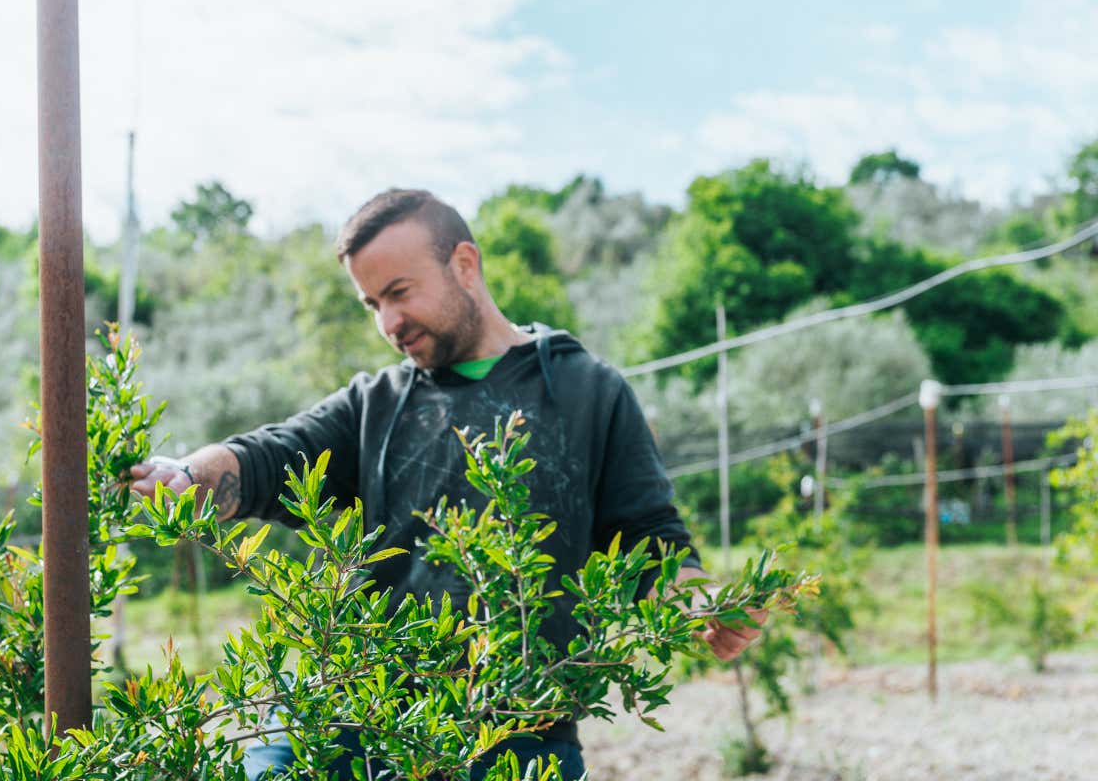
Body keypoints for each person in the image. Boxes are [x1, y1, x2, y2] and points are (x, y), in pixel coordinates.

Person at [130, 189, 764, 780]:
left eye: (400, 291)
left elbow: (650, 543)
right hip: (359, 716)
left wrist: (702, 605)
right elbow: (268, 457)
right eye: (374, 303)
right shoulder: (375, 405)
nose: (389, 321)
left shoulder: (588, 392)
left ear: (465, 264)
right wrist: (189, 475)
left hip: (519, 733)